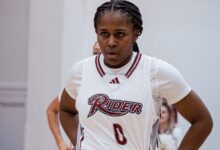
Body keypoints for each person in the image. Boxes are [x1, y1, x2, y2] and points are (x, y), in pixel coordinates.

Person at [59, 1, 213, 150]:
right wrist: (81, 143)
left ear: (136, 33)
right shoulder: (80, 71)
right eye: (104, 34)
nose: (111, 42)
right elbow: (66, 111)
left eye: (120, 34)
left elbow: (202, 121)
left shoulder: (156, 71)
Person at [46, 41, 101, 150]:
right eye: (95, 53)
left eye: (101, 54)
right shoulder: (81, 81)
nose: (97, 58)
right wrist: (60, 143)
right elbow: (51, 110)